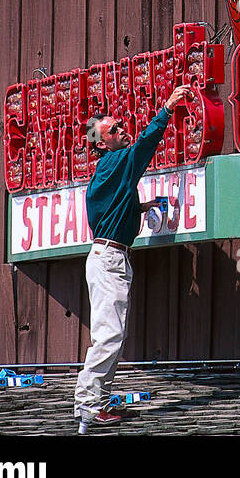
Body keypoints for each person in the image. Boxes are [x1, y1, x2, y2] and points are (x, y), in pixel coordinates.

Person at [73, 84, 191, 432]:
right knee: (109, 335)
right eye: (114, 130)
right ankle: (89, 404)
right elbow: (145, 146)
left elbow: (108, 213)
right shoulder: (117, 161)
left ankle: (96, 403)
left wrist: (141, 207)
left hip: (104, 255)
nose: (123, 131)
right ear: (101, 143)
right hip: (110, 259)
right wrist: (167, 109)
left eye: (121, 126)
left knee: (110, 333)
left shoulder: (101, 176)